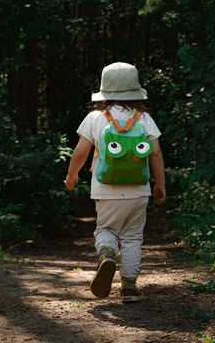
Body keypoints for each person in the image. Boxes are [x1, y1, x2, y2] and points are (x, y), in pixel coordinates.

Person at [65, 62, 166, 303]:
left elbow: (81, 152)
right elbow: (156, 154)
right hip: (139, 191)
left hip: (106, 190)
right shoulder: (144, 119)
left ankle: (108, 253)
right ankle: (129, 286)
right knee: (132, 236)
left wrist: (71, 176)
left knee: (106, 229)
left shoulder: (94, 118)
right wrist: (160, 183)